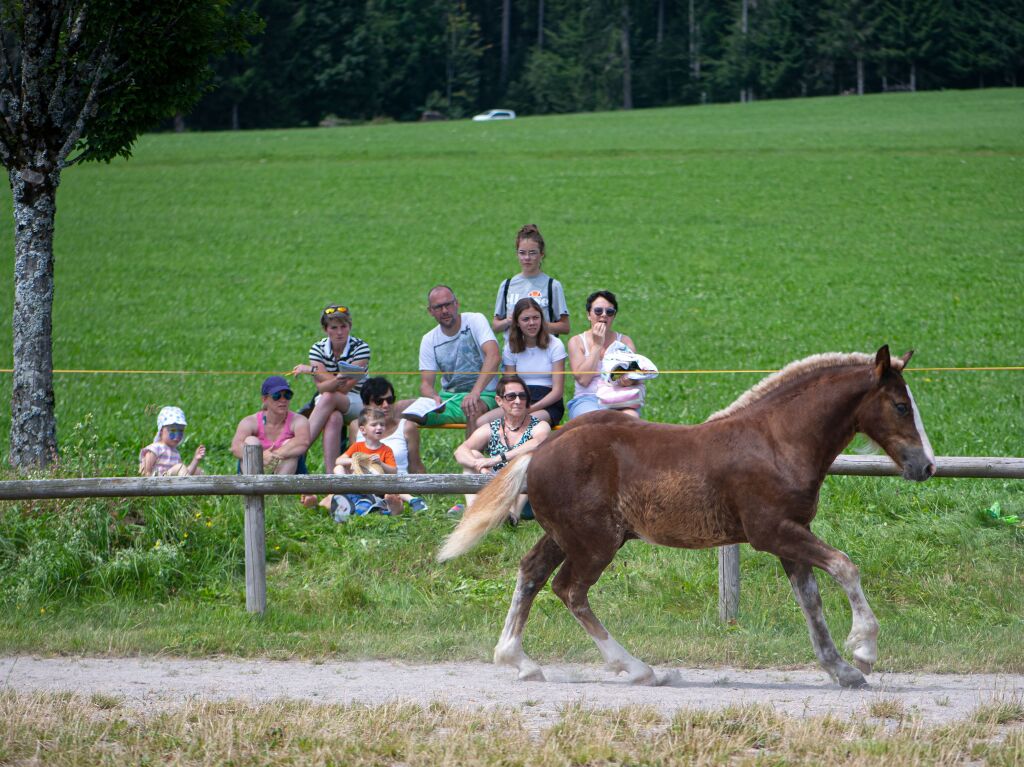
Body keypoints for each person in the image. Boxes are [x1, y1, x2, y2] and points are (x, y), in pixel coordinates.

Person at [453, 375, 552, 521]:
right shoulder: (491, 428)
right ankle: (472, 512)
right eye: (511, 396)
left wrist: (497, 459)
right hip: (496, 489)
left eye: (522, 396)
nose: (518, 401)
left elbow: (538, 442)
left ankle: (512, 516)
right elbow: (460, 451)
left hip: (526, 495)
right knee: (473, 453)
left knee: (528, 458)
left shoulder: (539, 425)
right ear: (499, 401)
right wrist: (479, 466)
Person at [291, 304, 370, 473]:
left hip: (357, 400)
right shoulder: (317, 349)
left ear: (350, 327)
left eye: (344, 327)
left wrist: (313, 371)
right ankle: (331, 480)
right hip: (328, 401)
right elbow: (321, 388)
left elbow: (345, 388)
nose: (340, 332)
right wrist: (337, 377)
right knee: (333, 417)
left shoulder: (361, 348)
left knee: (329, 397)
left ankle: (298, 450)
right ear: (325, 329)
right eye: (334, 327)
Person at [414, 285, 501, 439]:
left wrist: (475, 392)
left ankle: (471, 460)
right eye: (438, 307)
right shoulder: (429, 339)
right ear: (430, 311)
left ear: (457, 304)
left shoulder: (475, 320)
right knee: (400, 408)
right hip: (449, 399)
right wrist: (433, 397)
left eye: (448, 304)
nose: (445, 310)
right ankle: (403, 461)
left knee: (472, 407)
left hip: (484, 395)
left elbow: (493, 356)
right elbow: (426, 384)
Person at [478, 297, 567, 426]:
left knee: (522, 423)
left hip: (547, 403)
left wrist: (529, 409)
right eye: (526, 319)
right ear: (517, 323)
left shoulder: (555, 344)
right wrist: (516, 406)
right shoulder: (511, 346)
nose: (532, 323)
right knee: (482, 422)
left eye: (536, 318)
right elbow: (509, 385)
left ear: (542, 319)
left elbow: (557, 392)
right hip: (518, 399)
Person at [348, 377, 428, 513]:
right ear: (366, 405)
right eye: (379, 401)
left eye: (390, 400)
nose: (386, 405)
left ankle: (391, 504)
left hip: (398, 484)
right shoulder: (356, 426)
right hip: (366, 483)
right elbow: (354, 459)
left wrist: (428, 488)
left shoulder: (407, 427)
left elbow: (415, 465)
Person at [566, 290, 643, 420]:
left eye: (609, 312)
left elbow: (635, 377)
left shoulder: (624, 341)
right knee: (595, 421)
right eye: (598, 311)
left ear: (614, 316)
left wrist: (628, 380)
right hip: (587, 399)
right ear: (589, 315)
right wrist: (597, 345)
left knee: (631, 419)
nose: (603, 315)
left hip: (618, 399)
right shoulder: (577, 341)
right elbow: (583, 380)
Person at [492, 224, 570, 338]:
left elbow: (565, 327)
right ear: (517, 254)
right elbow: (495, 326)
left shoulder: (552, 286)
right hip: (514, 352)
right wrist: (509, 321)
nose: (527, 258)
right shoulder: (507, 285)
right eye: (522, 253)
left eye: (532, 252)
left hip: (544, 350)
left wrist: (538, 325)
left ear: (541, 254)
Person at [231, 376, 312, 479]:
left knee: (289, 444)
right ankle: (253, 489)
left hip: (286, 470)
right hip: (255, 472)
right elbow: (235, 447)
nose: (283, 400)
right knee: (251, 441)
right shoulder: (250, 421)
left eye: (287, 395)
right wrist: (260, 457)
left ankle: (278, 493)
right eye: (276, 395)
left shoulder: (299, 420)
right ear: (264, 399)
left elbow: (303, 442)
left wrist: (272, 455)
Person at [139, 406, 205, 476]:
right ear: (161, 431)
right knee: (180, 467)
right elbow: (146, 471)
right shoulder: (155, 448)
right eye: (173, 431)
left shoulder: (175, 453)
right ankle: (187, 486)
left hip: (172, 482)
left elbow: (186, 472)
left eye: (181, 431)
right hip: (159, 482)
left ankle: (196, 486)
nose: (177, 436)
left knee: (198, 471)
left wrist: (196, 459)